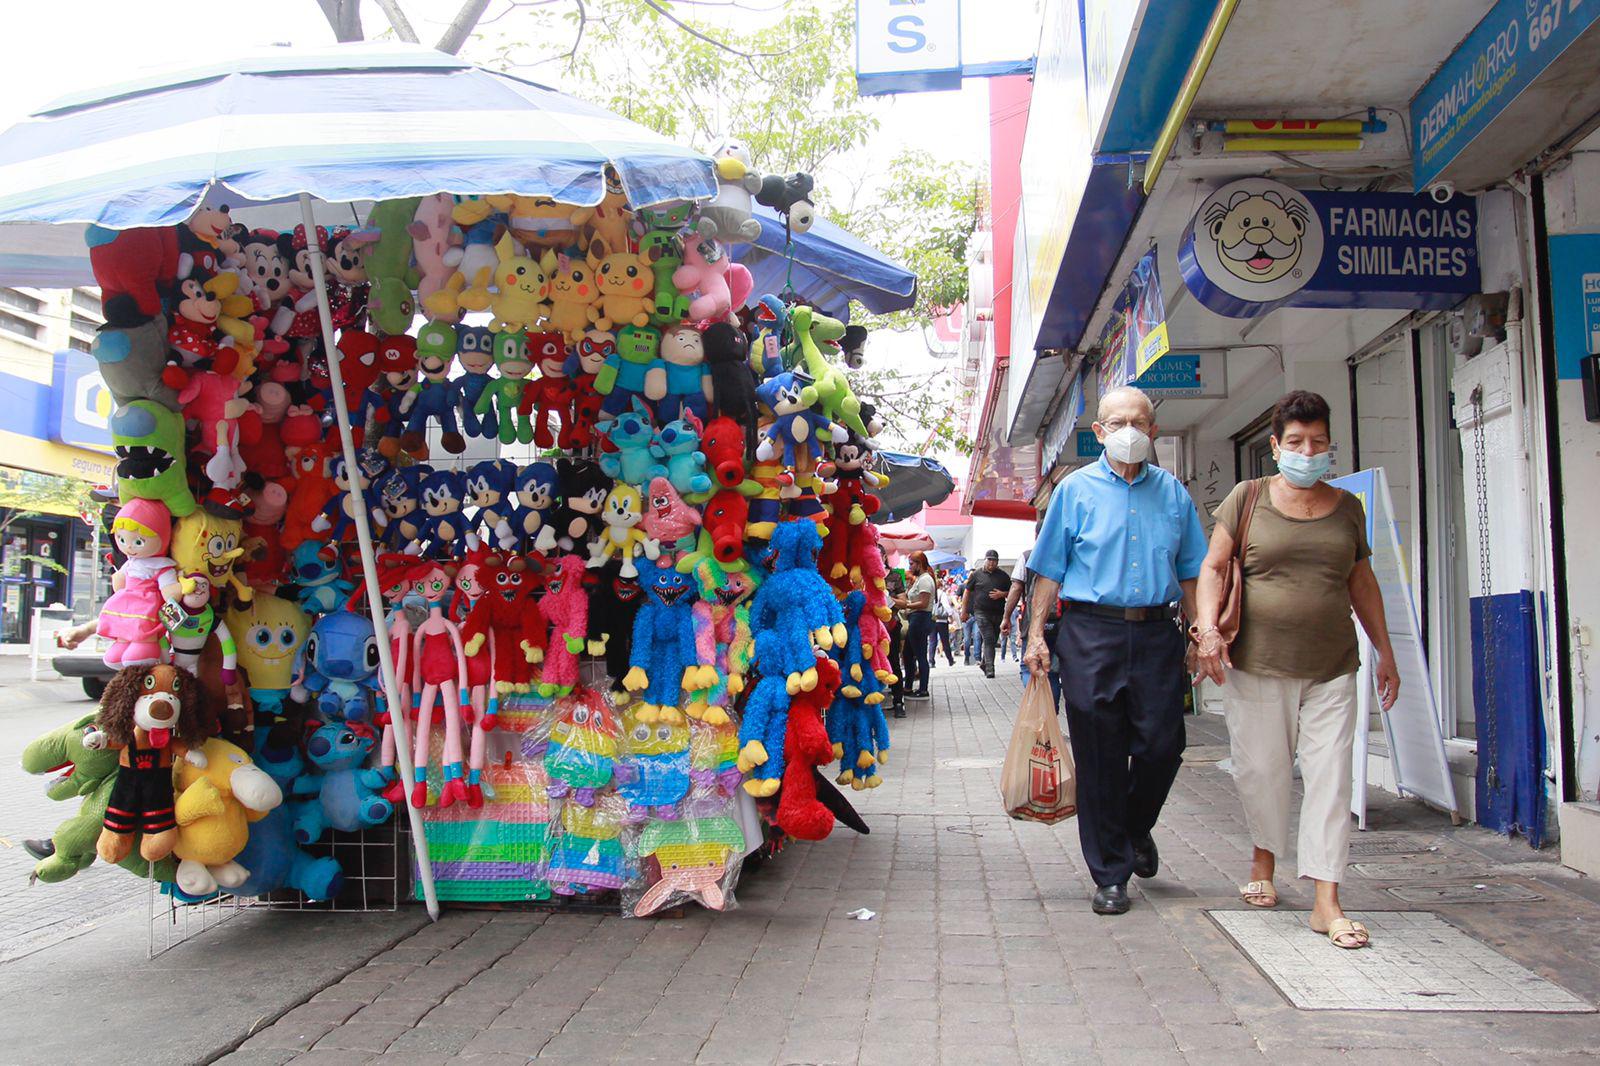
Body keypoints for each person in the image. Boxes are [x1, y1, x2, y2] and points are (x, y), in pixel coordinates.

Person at [1193, 390, 1399, 951]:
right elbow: (1213, 567)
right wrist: (1207, 629)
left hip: (1333, 666)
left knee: (1332, 778)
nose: (1308, 452)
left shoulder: (1348, 508)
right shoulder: (1248, 497)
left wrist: (1385, 651)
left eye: (1318, 442)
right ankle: (1263, 859)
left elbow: (1361, 582)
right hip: (1258, 665)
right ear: (1275, 445)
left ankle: (1327, 900)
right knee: (1263, 772)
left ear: (1330, 445)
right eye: (1296, 442)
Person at [1024, 385, 1207, 916]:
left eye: (1139, 422)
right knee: (1100, 754)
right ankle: (1110, 872)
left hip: (1156, 633)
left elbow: (1192, 571)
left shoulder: (1173, 494)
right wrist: (1036, 636)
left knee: (1162, 746)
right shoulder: (1074, 491)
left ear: (1153, 429)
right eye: (1118, 423)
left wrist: (1201, 635)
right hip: (1090, 633)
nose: (1130, 432)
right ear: (1100, 432)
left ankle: (1133, 826)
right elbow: (1048, 570)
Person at [1003, 548, 1061, 711]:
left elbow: (1016, 587)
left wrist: (1006, 617)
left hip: (1033, 622)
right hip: (1059, 622)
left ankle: (1037, 709)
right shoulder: (1065, 553)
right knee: (1053, 672)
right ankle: (1051, 713)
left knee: (1028, 668)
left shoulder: (1027, 556)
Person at [961, 548, 1010, 677]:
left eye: (994, 560)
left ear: (997, 562)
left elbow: (1013, 592)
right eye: (989, 560)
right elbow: (967, 592)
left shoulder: (1003, 576)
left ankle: (984, 663)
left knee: (993, 640)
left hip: (998, 613)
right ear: (985, 560)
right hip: (981, 612)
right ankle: (990, 668)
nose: (991, 562)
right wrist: (964, 611)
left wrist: (1002, 594)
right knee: (988, 638)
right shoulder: (976, 574)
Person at [893, 551, 936, 698]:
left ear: (919, 564)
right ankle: (908, 687)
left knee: (920, 654)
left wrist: (906, 605)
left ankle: (923, 689)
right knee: (908, 654)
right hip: (916, 618)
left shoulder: (925, 580)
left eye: (911, 564)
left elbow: (923, 603)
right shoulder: (920, 579)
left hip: (920, 618)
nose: (910, 567)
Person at [884, 567, 908, 718]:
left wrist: (888, 599)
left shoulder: (894, 577)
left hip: (890, 626)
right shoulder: (864, 574)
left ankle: (898, 702)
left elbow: (904, 603)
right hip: (869, 627)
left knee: (893, 663)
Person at [930, 579, 956, 667]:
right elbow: (946, 606)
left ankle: (931, 661)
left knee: (932, 641)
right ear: (940, 586)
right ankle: (950, 660)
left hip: (932, 619)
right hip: (942, 620)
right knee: (945, 641)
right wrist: (951, 615)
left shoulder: (930, 593)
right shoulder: (942, 594)